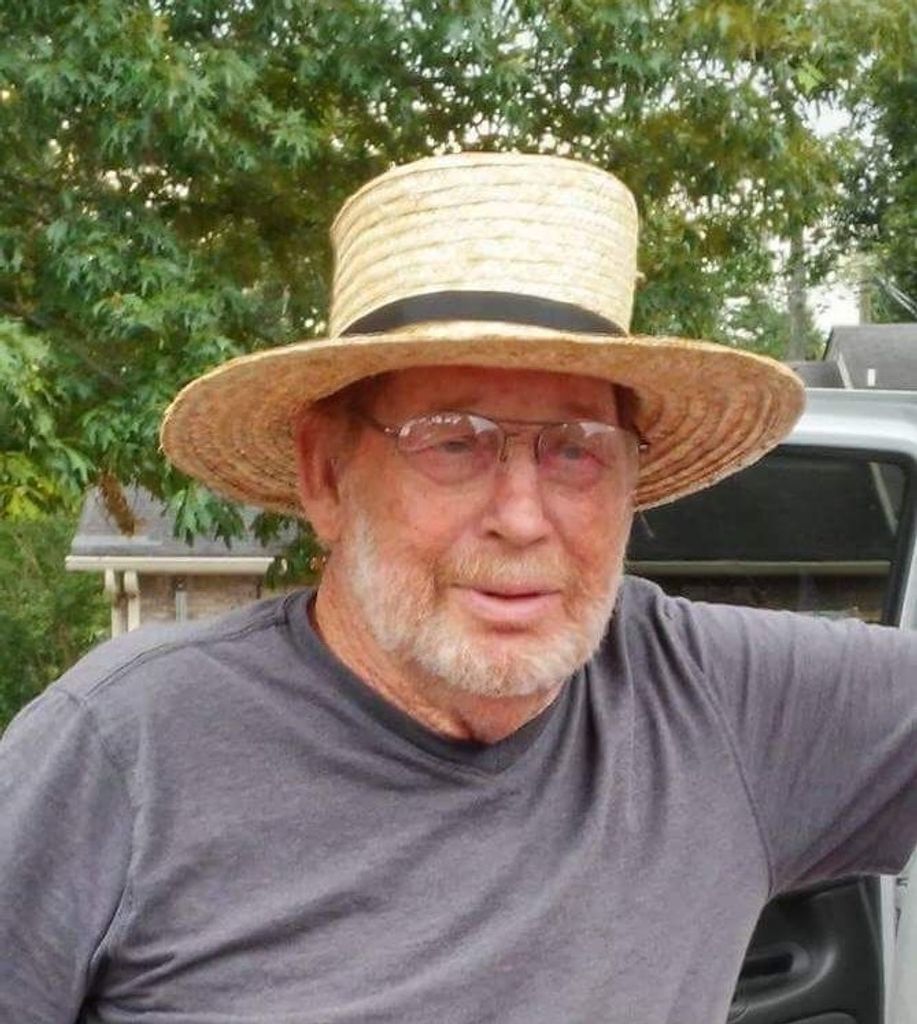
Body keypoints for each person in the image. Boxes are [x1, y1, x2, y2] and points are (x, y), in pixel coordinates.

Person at [1, 151, 916, 1024]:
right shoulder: (122, 751)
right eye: (451, 442)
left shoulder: (717, 701)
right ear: (326, 474)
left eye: (575, 450)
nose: (521, 517)